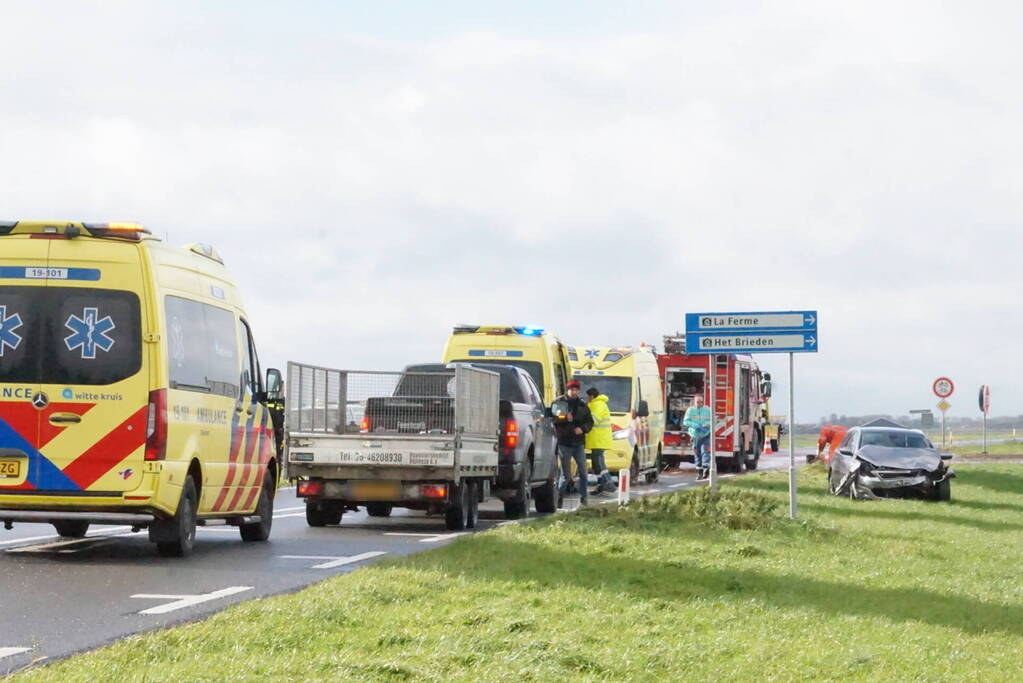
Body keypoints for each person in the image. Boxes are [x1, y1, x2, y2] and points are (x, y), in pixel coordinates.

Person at [553, 380, 593, 505]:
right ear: (567, 390)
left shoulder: (582, 405)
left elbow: (590, 422)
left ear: (578, 391)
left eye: (576, 390)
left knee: (583, 472)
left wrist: (583, 429)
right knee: (565, 475)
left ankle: (584, 499)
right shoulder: (559, 402)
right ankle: (558, 497)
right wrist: (565, 418)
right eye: (571, 389)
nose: (574, 392)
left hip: (578, 443)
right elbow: (553, 418)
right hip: (564, 442)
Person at [585, 387, 614, 495]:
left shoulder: (598, 405)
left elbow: (593, 420)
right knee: (596, 463)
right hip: (598, 439)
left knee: (598, 463)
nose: (586, 398)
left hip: (599, 439)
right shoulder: (596, 404)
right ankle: (603, 484)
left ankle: (607, 484)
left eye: (587, 396)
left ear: (591, 396)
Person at [683, 394, 712, 480]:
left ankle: (706, 469)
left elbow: (712, 420)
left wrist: (706, 425)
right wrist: (695, 425)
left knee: (705, 452)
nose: (700, 403)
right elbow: (686, 421)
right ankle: (699, 473)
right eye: (698, 402)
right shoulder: (690, 410)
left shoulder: (708, 410)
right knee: (697, 454)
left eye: (701, 402)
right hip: (695, 435)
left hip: (705, 435)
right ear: (694, 402)